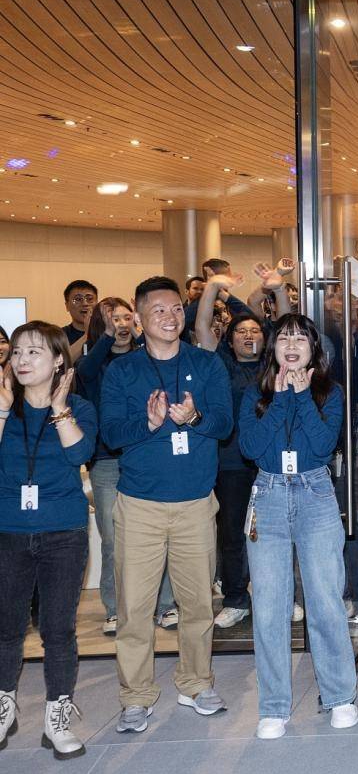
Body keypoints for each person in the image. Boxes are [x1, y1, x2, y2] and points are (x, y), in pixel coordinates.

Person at [101, 276, 233, 733]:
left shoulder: (206, 363)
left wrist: (195, 418)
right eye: (158, 310)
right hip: (140, 507)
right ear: (138, 318)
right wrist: (150, 423)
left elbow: (224, 425)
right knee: (135, 609)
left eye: (176, 308)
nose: (170, 317)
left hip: (196, 503)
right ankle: (136, 695)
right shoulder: (122, 371)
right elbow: (111, 434)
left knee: (197, 605)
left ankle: (196, 683)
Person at [238, 314, 357, 738]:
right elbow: (251, 448)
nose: (291, 345)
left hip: (315, 493)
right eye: (284, 338)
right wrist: (281, 400)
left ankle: (340, 697)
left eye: (300, 339)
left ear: (313, 349)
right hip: (268, 493)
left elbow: (323, 447)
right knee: (269, 607)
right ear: (273, 348)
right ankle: (274, 707)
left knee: (325, 601)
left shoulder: (331, 392)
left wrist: (303, 398)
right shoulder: (255, 392)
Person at [0, 323, 96, 759]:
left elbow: (80, 454)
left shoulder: (79, 406)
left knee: (58, 630)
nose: (21, 360)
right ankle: (4, 706)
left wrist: (58, 410)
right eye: (17, 352)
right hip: (8, 531)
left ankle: (57, 717)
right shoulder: (4, 405)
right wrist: (3, 412)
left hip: (63, 533)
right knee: (7, 627)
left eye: (34, 352)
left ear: (59, 360)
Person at [78, 299, 177, 635]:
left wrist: (139, 332)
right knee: (112, 539)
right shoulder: (95, 363)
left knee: (160, 535)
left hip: (145, 455)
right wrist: (107, 335)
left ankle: (165, 605)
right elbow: (84, 372)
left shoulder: (145, 359)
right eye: (113, 319)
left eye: (125, 317)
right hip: (106, 461)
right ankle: (115, 608)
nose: (120, 324)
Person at [197, 271, 284, 629]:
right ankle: (236, 598)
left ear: (266, 338)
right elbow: (202, 327)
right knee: (233, 532)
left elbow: (286, 323)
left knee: (274, 531)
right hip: (231, 461)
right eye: (240, 332)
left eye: (255, 331)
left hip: (271, 461)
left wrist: (278, 289)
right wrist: (212, 287)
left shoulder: (273, 365)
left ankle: (278, 597)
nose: (249, 335)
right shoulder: (219, 364)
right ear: (229, 340)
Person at [62, 280, 98, 363]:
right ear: (67, 306)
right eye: (78, 299)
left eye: (90, 299)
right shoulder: (59, 335)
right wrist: (87, 335)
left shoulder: (108, 332)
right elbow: (61, 363)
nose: (85, 303)